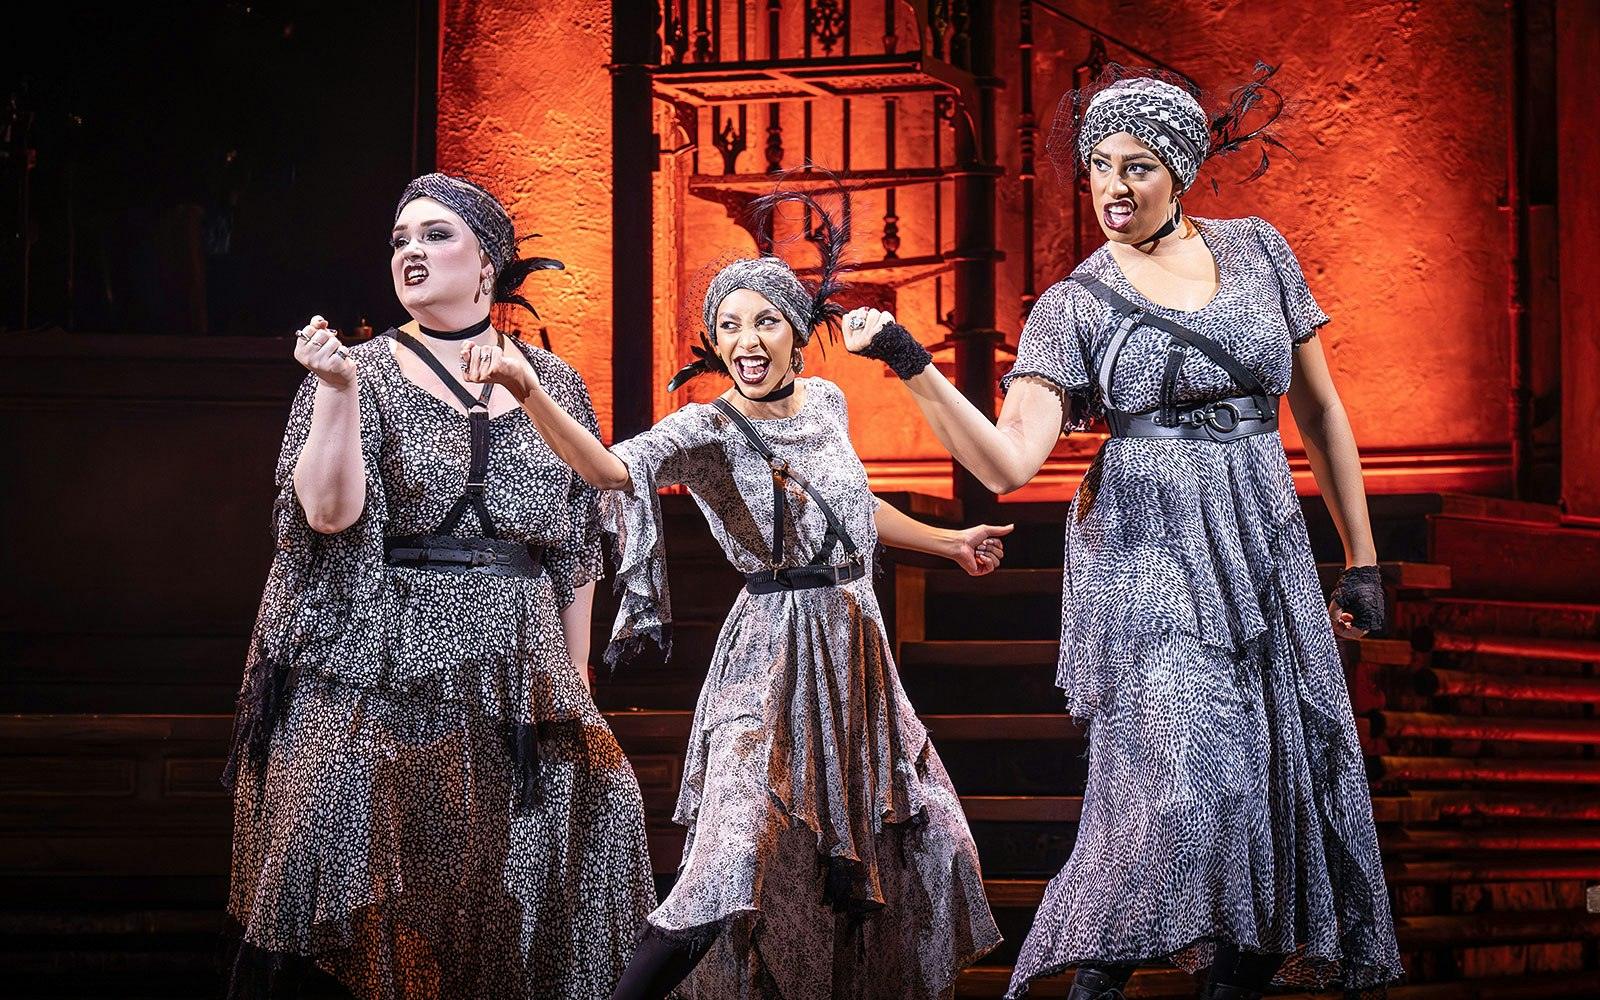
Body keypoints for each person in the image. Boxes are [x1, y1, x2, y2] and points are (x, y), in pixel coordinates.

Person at [842, 66, 1403, 1000]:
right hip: (1144, 552)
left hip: (1260, 539)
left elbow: (1320, 410)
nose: (1111, 186)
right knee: (1187, 786)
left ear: (1179, 169)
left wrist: (1364, 559)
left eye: (1136, 166)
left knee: (1271, 788)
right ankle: (1098, 969)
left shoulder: (1259, 251)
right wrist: (912, 363)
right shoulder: (1074, 305)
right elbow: (1006, 462)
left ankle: (1228, 975)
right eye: (1098, 165)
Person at [460, 182, 1005, 1000]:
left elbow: (852, 509)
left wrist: (948, 543)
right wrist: (527, 389)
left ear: (797, 334)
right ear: (714, 341)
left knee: (933, 844)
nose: (747, 341)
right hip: (770, 652)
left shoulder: (828, 401)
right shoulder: (705, 429)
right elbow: (606, 468)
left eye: (766, 322)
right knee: (728, 860)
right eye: (729, 326)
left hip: (855, 651)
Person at [223, 172, 656, 999]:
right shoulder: (357, 370)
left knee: (577, 835)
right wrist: (336, 393)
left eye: (434, 235)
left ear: (488, 261)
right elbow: (326, 514)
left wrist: (575, 679)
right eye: (400, 241)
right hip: (380, 660)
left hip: (515, 661)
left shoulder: (554, 382)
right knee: (352, 859)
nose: (410, 253)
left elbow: (573, 547)